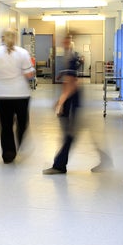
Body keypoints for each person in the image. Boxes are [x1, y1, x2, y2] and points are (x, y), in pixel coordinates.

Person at [0, 28, 35, 163]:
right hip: (21, 95)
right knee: (22, 123)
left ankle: (8, 154)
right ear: (15, 38)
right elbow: (29, 75)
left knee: (6, 126)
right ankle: (18, 142)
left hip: (1, 95)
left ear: (2, 38)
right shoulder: (23, 53)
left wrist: (0, 74)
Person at [43, 35, 82, 174]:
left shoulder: (71, 58)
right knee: (69, 134)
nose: (64, 43)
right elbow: (71, 79)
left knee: (69, 135)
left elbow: (71, 85)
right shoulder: (69, 57)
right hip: (71, 100)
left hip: (71, 101)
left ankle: (59, 165)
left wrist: (60, 102)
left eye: (67, 41)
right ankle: (59, 164)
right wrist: (62, 74)